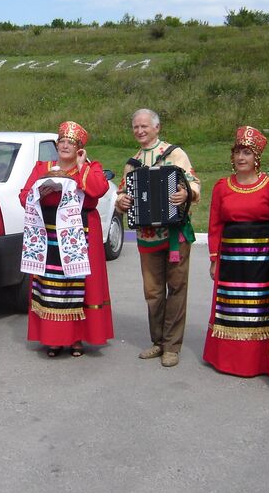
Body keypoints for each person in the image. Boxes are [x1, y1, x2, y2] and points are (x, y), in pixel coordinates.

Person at [19, 121, 114, 357]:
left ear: (80, 148)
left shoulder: (91, 168)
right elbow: (24, 196)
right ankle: (53, 338)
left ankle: (77, 338)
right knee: (51, 287)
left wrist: (82, 166)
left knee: (77, 286)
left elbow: (97, 190)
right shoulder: (43, 167)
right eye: (61, 141)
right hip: (48, 233)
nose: (64, 145)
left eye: (70, 142)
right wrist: (39, 194)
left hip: (80, 233)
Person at [114, 108, 200, 368]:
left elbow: (194, 183)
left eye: (144, 126)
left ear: (157, 128)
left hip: (175, 236)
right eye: (135, 127)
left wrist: (186, 194)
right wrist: (123, 201)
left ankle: (172, 346)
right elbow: (120, 195)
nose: (140, 131)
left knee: (176, 289)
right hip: (147, 236)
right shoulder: (133, 163)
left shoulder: (175, 154)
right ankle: (158, 341)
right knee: (152, 292)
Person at [202, 126, 269, 377]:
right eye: (238, 152)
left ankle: (259, 361)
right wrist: (214, 258)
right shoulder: (222, 187)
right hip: (231, 260)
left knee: (260, 308)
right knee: (231, 308)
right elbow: (215, 224)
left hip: (264, 260)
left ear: (256, 157)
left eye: (247, 153)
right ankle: (228, 359)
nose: (241, 158)